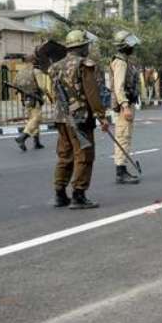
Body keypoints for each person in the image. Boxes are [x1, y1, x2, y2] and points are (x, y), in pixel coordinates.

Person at [49, 30, 110, 209]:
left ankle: (60, 193)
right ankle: (78, 194)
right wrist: (101, 116)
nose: (88, 48)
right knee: (84, 155)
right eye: (87, 45)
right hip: (80, 118)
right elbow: (92, 93)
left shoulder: (55, 67)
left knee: (65, 155)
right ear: (82, 46)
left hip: (61, 117)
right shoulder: (84, 65)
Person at [109, 30, 141, 184]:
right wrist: (125, 106)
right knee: (123, 137)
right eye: (131, 44)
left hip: (126, 104)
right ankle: (120, 171)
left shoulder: (125, 60)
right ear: (124, 46)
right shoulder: (120, 62)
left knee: (125, 136)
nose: (133, 46)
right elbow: (118, 87)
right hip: (123, 106)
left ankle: (122, 169)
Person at [14, 54, 52, 151]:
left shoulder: (20, 72)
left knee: (32, 118)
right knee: (37, 118)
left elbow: (15, 84)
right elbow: (42, 86)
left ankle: (37, 142)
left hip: (25, 98)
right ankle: (22, 137)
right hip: (35, 98)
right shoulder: (36, 71)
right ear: (34, 61)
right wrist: (47, 93)